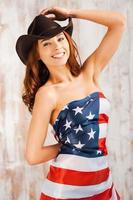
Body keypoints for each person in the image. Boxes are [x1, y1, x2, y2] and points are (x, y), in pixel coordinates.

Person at [15, 6, 126, 200]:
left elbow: (118, 23)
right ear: (37, 54)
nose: (57, 47)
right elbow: (33, 155)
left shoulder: (90, 71)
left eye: (60, 38)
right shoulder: (47, 94)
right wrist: (68, 144)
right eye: (46, 44)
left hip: (103, 183)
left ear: (68, 40)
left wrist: (71, 14)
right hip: (67, 189)